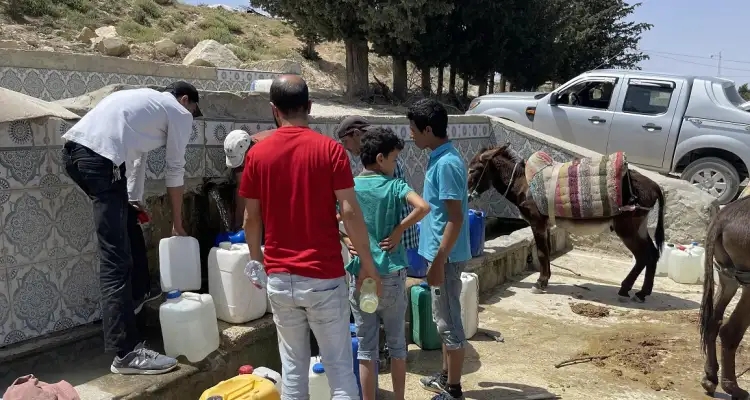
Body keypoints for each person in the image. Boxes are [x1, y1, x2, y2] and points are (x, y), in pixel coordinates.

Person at [238, 74, 382, 400]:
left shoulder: (257, 155)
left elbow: (251, 217)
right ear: (310, 106)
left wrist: (256, 262)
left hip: (279, 279)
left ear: (274, 110)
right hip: (323, 279)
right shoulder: (331, 150)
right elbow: (349, 212)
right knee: (341, 375)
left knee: (292, 372)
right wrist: (368, 266)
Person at [61, 81, 202, 375]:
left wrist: (131, 201)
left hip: (76, 155)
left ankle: (136, 300)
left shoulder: (144, 102)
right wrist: (178, 223)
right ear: (185, 100)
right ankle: (126, 354)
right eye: (193, 110)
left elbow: (135, 156)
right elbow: (175, 168)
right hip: (101, 160)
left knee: (128, 231)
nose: (192, 117)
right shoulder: (178, 111)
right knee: (116, 261)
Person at [344, 127, 430, 400]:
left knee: (367, 348)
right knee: (396, 346)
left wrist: (345, 238)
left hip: (363, 279)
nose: (395, 165)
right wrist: (398, 231)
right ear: (380, 159)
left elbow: (329, 218)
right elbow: (423, 207)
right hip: (391, 276)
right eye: (394, 159)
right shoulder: (395, 186)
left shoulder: (351, 187)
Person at [408, 98, 472, 400]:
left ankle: (455, 390)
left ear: (429, 129)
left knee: (448, 322)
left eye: (414, 130)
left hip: (443, 258)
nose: (411, 135)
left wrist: (437, 261)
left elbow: (456, 218)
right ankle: (446, 377)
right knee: (441, 317)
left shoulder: (447, 164)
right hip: (438, 255)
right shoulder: (439, 157)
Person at [335, 117, 419, 255]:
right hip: (391, 245)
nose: (345, 147)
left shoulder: (384, 164)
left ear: (356, 134)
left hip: (394, 244)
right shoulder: (384, 160)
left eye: (345, 141)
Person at [223, 129, 273, 231]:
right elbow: (241, 190)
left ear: (249, 150)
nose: (241, 166)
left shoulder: (268, 151)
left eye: (241, 162)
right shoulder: (241, 148)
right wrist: (239, 224)